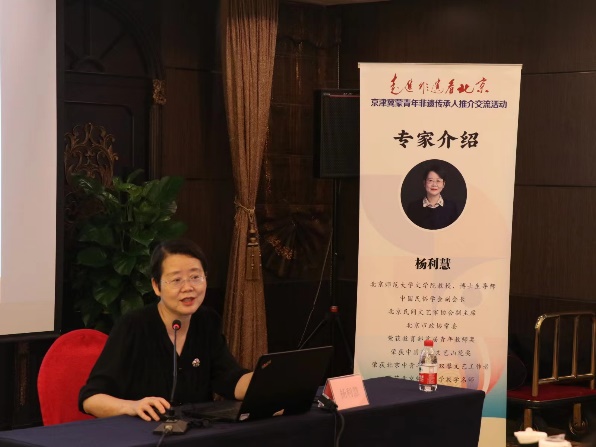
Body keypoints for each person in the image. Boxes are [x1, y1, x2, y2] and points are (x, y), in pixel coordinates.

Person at [79, 239, 253, 421]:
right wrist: (132, 406)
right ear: (156, 286)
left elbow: (230, 380)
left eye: (195, 277)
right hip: (142, 431)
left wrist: (264, 382)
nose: (188, 287)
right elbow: (91, 399)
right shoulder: (133, 326)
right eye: (176, 280)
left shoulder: (207, 321)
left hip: (196, 432)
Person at [406, 164, 461, 230]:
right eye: (430, 180)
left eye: (438, 181)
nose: (434, 184)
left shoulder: (451, 207)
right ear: (424, 183)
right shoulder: (413, 207)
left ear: (443, 184)